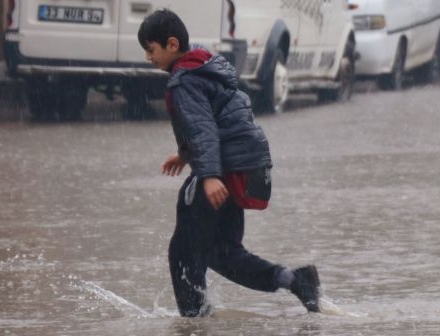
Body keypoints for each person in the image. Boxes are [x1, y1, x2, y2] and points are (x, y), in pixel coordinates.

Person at [137, 9, 321, 317]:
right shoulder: (206, 68)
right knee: (222, 252)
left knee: (182, 252)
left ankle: (194, 323)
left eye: (150, 49)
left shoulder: (183, 81)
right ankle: (296, 280)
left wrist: (208, 175)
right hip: (239, 167)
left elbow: (202, 128)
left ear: (171, 45)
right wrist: (184, 155)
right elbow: (216, 118)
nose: (147, 57)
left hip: (219, 172)